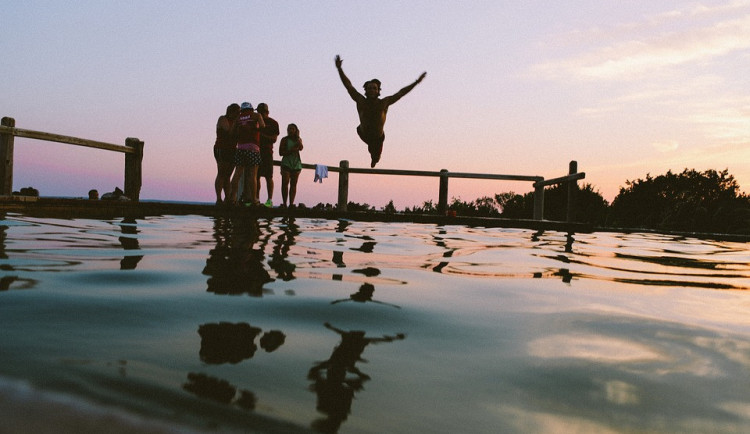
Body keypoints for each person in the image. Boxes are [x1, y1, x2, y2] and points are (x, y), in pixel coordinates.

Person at [334, 54, 426, 167]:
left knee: (375, 157)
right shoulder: (360, 100)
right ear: (366, 91)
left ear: (378, 91)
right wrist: (339, 69)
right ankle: (373, 154)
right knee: (369, 145)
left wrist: (416, 82)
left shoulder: (384, 103)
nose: (372, 90)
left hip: (378, 138)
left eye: (374, 88)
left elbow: (401, 93)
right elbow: (348, 86)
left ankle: (374, 159)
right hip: (363, 133)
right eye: (369, 88)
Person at [228, 102, 265, 206]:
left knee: (237, 173)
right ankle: (253, 200)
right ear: (251, 108)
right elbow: (263, 126)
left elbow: (231, 133)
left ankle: (232, 198)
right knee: (253, 175)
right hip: (253, 147)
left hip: (240, 148)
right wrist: (254, 129)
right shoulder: (256, 115)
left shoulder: (238, 118)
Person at [214, 103, 240, 205]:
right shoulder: (223, 119)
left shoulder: (236, 122)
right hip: (222, 148)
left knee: (228, 175)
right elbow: (229, 132)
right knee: (221, 173)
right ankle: (219, 198)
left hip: (232, 149)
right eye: (237, 112)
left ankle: (228, 198)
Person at [254, 103, 280, 208]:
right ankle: (256, 199)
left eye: (261, 112)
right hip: (255, 152)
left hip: (267, 153)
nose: (259, 114)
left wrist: (261, 135)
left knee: (269, 177)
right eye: (258, 112)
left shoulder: (273, 123)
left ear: (267, 112)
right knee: (256, 176)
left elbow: (274, 139)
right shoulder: (255, 121)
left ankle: (269, 200)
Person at [279, 123, 304, 208]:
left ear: (295, 130)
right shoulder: (284, 140)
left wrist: (298, 138)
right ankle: (284, 203)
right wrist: (291, 151)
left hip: (296, 164)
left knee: (293, 184)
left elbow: (301, 148)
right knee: (285, 183)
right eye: (289, 129)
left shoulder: (298, 139)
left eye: (292, 129)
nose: (290, 130)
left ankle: (291, 204)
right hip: (286, 163)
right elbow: (280, 152)